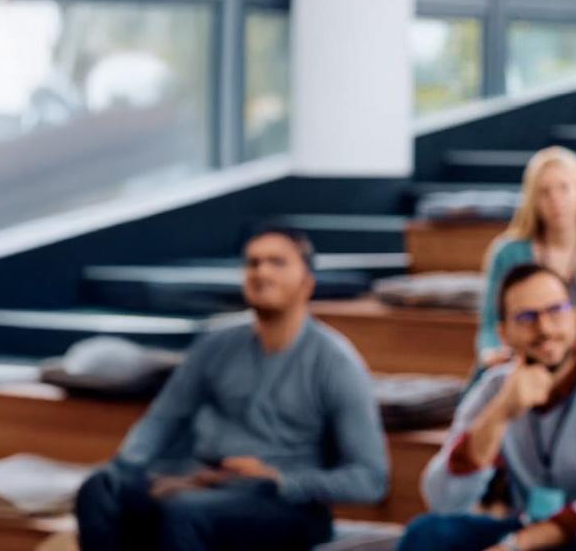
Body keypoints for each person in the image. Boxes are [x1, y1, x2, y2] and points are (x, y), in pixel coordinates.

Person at [75, 227, 389, 551]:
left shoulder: (336, 361)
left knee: (183, 512)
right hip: (206, 483)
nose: (262, 272)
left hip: (285, 505)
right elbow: (163, 418)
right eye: (253, 263)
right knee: (102, 488)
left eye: (277, 262)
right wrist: (127, 468)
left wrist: (277, 479)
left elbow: (370, 480)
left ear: (307, 282)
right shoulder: (216, 344)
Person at [398, 264, 576, 551]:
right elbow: (442, 499)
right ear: (504, 334)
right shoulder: (495, 389)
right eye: (527, 317)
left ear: (575, 318)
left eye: (556, 311)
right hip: (538, 532)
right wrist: (501, 413)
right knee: (428, 534)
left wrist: (516, 545)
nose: (545, 328)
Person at [479, 147, 576, 365]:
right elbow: (491, 326)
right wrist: (492, 354)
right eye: (544, 192)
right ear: (532, 200)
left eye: (564, 188)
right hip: (515, 364)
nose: (555, 200)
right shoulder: (506, 253)